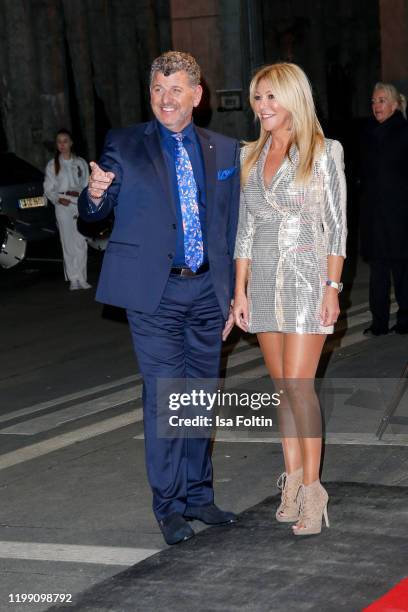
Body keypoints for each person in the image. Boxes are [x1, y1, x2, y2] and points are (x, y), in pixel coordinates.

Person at [78, 51, 240, 545]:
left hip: (208, 290)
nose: (165, 99)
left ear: (197, 95)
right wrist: (96, 194)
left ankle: (198, 496)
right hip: (156, 294)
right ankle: (168, 505)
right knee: (167, 398)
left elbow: (230, 229)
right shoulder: (125, 144)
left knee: (199, 399)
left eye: (176, 90)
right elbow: (93, 215)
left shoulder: (226, 149)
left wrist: (234, 295)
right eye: (157, 90)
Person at [233, 63, 347, 536]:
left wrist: (332, 287)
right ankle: (294, 480)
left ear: (293, 99)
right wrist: (239, 290)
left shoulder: (324, 151)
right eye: (258, 98)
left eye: (272, 98)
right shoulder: (251, 155)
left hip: (306, 279)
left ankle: (315, 492)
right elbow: (246, 228)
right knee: (282, 388)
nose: (263, 108)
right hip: (262, 282)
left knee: (300, 388)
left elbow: (336, 226)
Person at [359, 82, 408, 336]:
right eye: (373, 101)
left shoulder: (404, 132)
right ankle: (378, 322)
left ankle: (405, 319)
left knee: (402, 269)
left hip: (400, 215)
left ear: (394, 104)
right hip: (374, 216)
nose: (376, 106)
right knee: (378, 271)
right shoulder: (367, 132)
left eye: (381, 100)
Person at [44, 129, 91, 290]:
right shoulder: (52, 165)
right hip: (62, 204)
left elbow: (86, 185)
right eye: (59, 142)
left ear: (71, 143)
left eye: (65, 141)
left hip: (78, 202)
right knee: (68, 241)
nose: (62, 145)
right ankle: (73, 278)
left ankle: (82, 277)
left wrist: (87, 203)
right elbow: (48, 189)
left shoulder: (81, 163)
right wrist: (57, 199)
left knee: (81, 241)